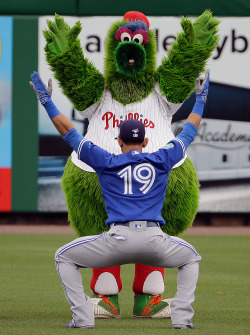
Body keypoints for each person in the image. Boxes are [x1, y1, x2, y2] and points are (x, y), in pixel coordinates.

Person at [30, 69, 209, 329]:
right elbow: (189, 131)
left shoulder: (106, 160)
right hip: (155, 242)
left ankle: (82, 318)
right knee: (191, 258)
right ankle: (182, 320)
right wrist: (201, 99)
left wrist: (46, 101)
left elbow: (67, 131)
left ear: (118, 140)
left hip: (116, 241)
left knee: (63, 257)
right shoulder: (161, 159)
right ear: (146, 141)